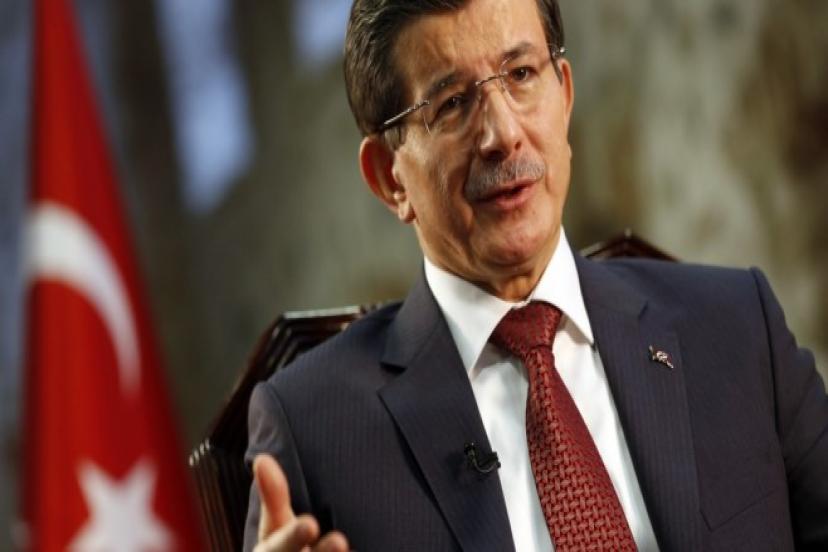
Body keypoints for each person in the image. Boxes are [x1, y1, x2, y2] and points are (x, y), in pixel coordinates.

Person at [244, 0, 828, 550]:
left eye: (521, 74)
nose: (503, 135)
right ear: (389, 177)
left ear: (565, 94)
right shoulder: (315, 434)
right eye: (451, 104)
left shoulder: (736, 328)